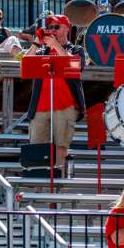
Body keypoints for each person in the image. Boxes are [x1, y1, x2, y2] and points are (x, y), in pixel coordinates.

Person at [24, 15, 85, 174]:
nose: (52, 31)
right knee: (37, 148)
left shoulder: (76, 49)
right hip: (40, 106)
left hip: (65, 105)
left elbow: (75, 66)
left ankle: (57, 189)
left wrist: (57, 46)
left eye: (56, 27)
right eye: (50, 28)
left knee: (61, 147)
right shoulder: (42, 51)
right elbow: (25, 63)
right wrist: (36, 42)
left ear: (67, 28)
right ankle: (39, 191)